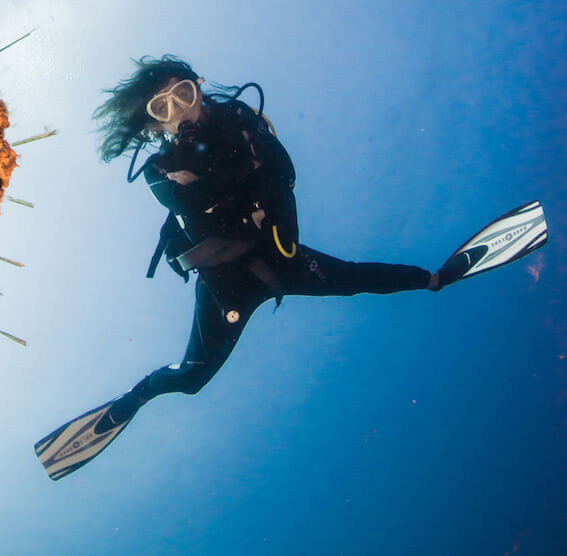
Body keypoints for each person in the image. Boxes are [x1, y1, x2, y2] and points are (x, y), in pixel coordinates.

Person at [34, 56, 547, 481]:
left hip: (280, 254)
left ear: (200, 86)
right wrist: (219, 179)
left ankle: (437, 277)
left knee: (355, 279)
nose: (178, 109)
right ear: (153, 122)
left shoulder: (241, 121)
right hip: (225, 284)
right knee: (191, 380)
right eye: (162, 106)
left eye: (184, 93)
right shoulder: (158, 170)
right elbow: (196, 212)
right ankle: (133, 400)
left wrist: (279, 231)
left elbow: (283, 176)